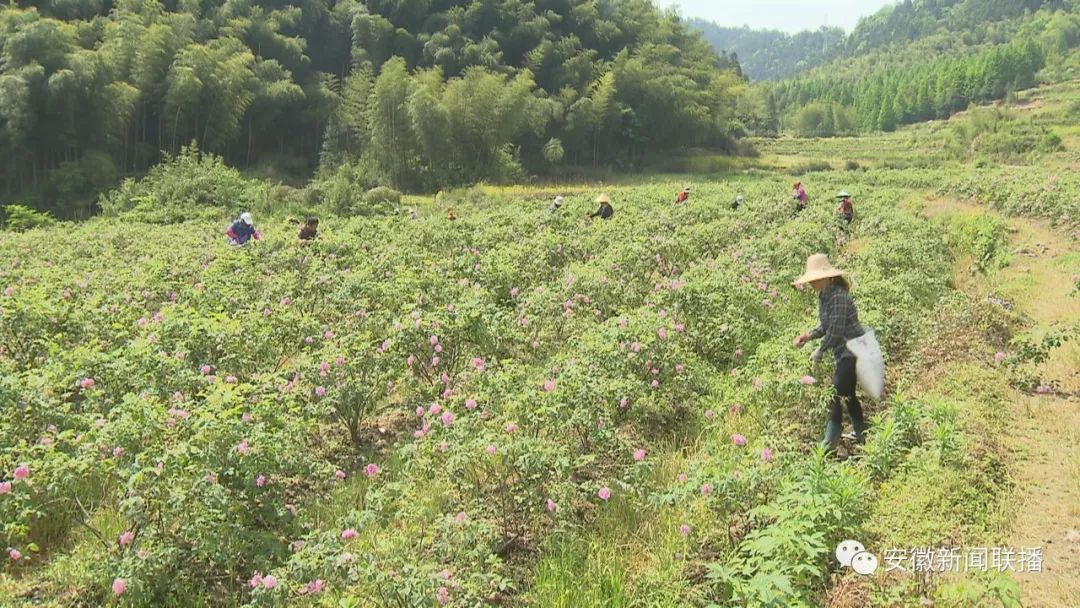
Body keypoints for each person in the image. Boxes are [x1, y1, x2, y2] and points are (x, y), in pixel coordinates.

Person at [792, 254, 866, 450]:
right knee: (848, 393)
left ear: (827, 277)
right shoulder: (824, 296)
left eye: (816, 279)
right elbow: (826, 325)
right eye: (811, 280)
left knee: (834, 392)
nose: (813, 283)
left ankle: (830, 441)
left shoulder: (839, 297)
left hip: (853, 349)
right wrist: (808, 335)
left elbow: (836, 331)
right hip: (844, 351)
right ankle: (861, 433)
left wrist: (820, 350)